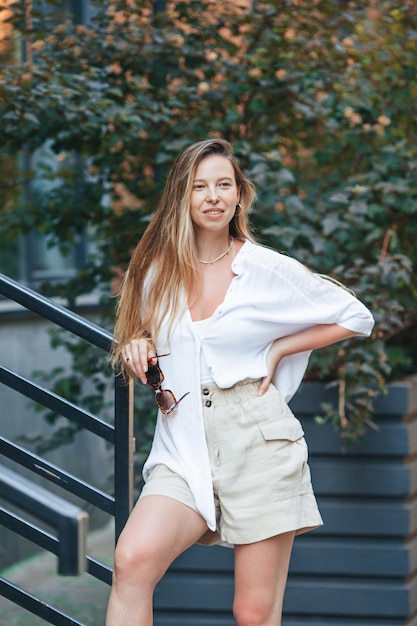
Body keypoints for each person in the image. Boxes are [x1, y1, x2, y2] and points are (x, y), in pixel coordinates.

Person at [106, 138, 374, 626]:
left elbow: (355, 316)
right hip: (181, 446)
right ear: (181, 198)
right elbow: (142, 346)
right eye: (199, 186)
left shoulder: (265, 268)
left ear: (239, 196)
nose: (212, 196)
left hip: (257, 440)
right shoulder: (156, 272)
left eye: (223, 185)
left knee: (252, 614)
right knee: (131, 562)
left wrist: (279, 348)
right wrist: (134, 349)